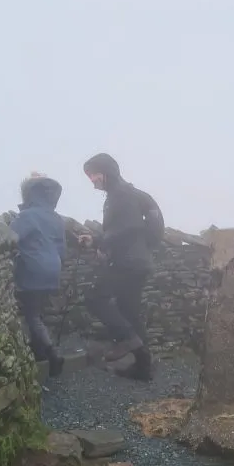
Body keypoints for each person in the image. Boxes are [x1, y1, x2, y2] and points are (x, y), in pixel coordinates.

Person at [80, 153, 163, 382]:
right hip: (137, 261)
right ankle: (143, 368)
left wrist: (98, 242)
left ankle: (127, 339)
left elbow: (128, 227)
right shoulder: (129, 194)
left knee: (95, 298)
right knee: (130, 312)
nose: (92, 180)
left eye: (93, 174)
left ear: (106, 172)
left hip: (126, 262)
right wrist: (99, 241)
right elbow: (138, 229)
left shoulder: (121, 195)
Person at [10, 173, 66, 377]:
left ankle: (53, 354)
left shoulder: (27, 216)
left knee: (32, 315)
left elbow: (10, 238)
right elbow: (62, 249)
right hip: (53, 270)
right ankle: (39, 351)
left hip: (33, 269)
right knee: (37, 311)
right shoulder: (56, 218)